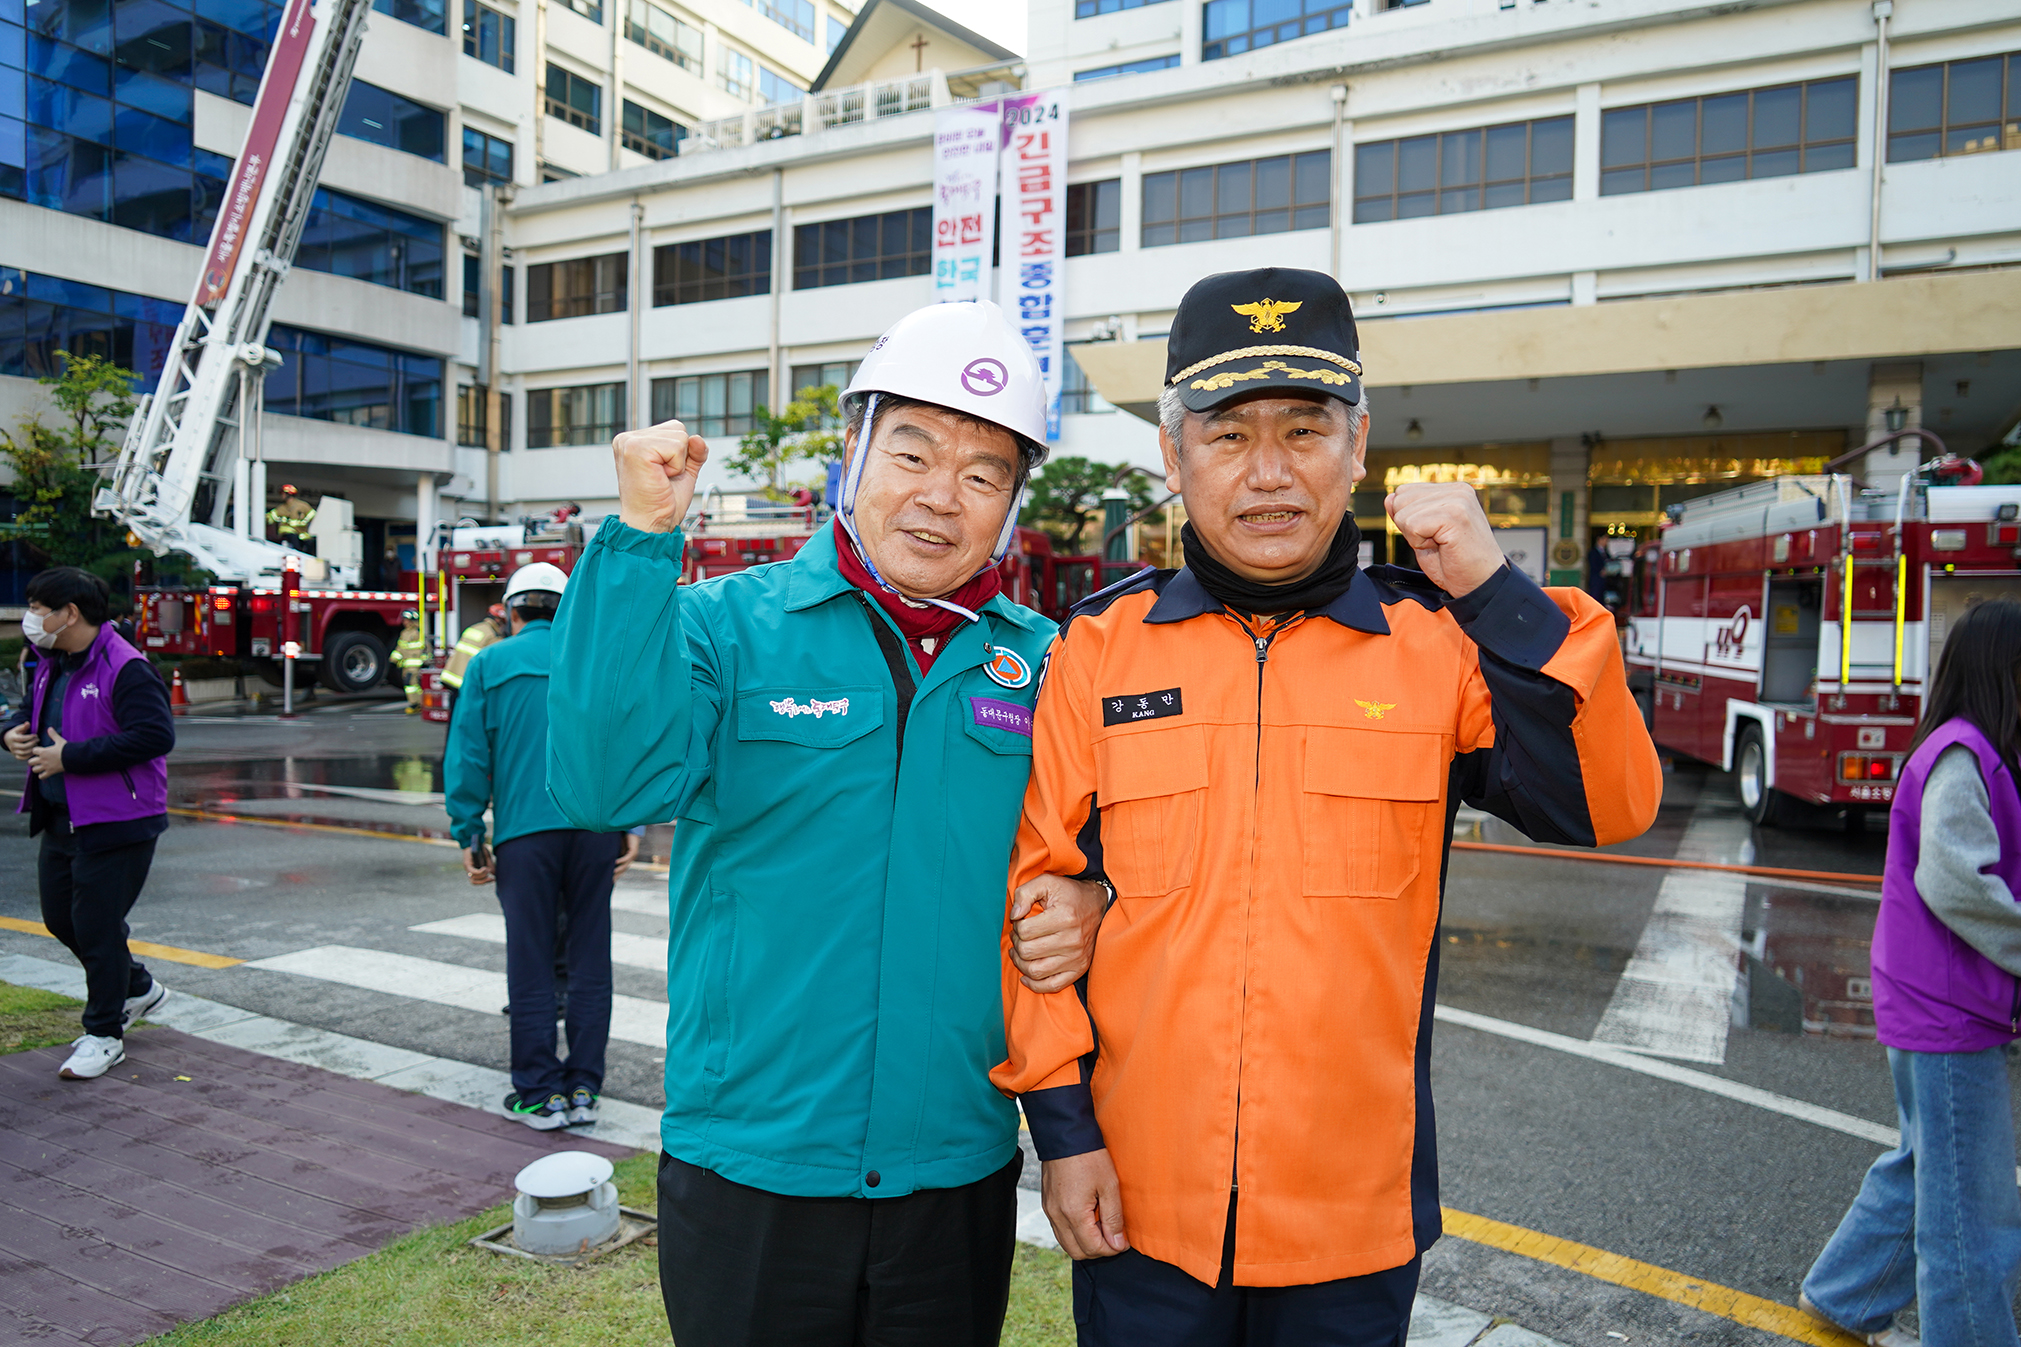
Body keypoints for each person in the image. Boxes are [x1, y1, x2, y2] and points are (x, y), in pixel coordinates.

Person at [992, 268, 1663, 1346]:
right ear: (1172, 457)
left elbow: (1607, 803)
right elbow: (1036, 902)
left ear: (1357, 449)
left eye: (1304, 432)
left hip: (1351, 1225)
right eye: (1226, 435)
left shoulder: (1436, 640)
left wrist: (1496, 590)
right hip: (1140, 1210)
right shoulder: (1097, 649)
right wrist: (1063, 1138)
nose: (1268, 474)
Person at [548, 299, 1106, 1347]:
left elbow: (1112, 848)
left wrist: (1093, 896)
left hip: (955, 1162)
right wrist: (637, 542)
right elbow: (601, 786)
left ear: (1011, 502)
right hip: (752, 1161)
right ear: (851, 451)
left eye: (984, 474)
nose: (941, 496)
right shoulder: (726, 625)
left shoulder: (1047, 665)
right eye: (911, 452)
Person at [1800, 596, 2021, 1347]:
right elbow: (1957, 880)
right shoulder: (1964, 755)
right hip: (1950, 1011)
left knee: (1928, 1164)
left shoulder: (1964, 748)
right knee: (1971, 1210)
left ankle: (1845, 1292)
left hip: (1935, 1002)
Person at [445, 561, 636, 1130]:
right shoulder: (597, 662)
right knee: (588, 960)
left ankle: (538, 1091)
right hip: (595, 831)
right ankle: (583, 1088)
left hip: (524, 834)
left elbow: (469, 757)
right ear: (567, 608)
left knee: (530, 960)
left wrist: (469, 833)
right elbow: (627, 745)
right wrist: (631, 825)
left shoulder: (489, 664)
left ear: (513, 612)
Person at [2, 567, 175, 1081]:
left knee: (97, 929)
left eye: (37, 607)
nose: (31, 617)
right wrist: (9, 734)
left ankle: (104, 1035)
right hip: (60, 816)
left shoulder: (126, 666)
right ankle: (138, 987)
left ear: (69, 613)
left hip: (118, 820)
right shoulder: (50, 661)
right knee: (63, 919)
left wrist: (71, 757)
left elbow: (154, 736)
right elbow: (27, 717)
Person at [441, 602, 509, 712]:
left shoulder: (475, 628)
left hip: (452, 680)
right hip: (467, 685)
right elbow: (496, 665)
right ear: (498, 620)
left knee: (454, 720)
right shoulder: (493, 637)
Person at [394, 610, 427, 713]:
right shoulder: (405, 633)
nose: (404, 622)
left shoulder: (418, 633)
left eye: (406, 620)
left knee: (412, 684)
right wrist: (393, 659)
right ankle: (417, 703)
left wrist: (424, 662)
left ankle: (416, 704)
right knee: (411, 685)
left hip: (415, 665)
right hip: (407, 665)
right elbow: (401, 648)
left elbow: (425, 648)